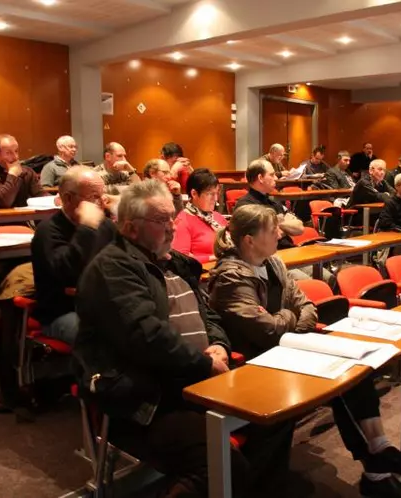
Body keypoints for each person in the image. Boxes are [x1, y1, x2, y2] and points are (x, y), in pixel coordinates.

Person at [74, 180, 291, 498]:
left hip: (198, 384)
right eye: (162, 221)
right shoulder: (112, 268)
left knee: (276, 416)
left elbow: (210, 316)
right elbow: (147, 336)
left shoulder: (177, 263)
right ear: (132, 228)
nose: (173, 227)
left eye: (172, 218)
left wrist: (219, 345)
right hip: (148, 400)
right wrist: (205, 364)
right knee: (219, 463)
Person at [208, 204, 401, 498]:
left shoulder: (273, 263)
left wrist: (287, 318)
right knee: (340, 378)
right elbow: (267, 331)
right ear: (249, 239)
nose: (280, 232)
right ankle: (377, 472)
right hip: (257, 362)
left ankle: (379, 451)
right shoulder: (230, 276)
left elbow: (307, 306)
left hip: (288, 348)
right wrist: (291, 318)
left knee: (353, 365)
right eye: (271, 229)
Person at [31, 167, 116, 346]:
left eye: (103, 196)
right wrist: (87, 228)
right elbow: (67, 273)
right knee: (102, 338)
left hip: (101, 304)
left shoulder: (105, 225)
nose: (101, 203)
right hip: (62, 312)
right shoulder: (48, 231)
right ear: (68, 198)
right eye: (94, 197)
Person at [235, 159, 303, 250]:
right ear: (260, 178)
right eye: (272, 175)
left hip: (289, 250)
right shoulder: (245, 205)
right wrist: (284, 226)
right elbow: (263, 237)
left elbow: (300, 228)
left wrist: (275, 224)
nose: (276, 178)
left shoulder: (274, 201)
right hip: (267, 257)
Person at [172, 168, 227, 263]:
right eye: (210, 194)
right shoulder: (183, 221)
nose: (216, 198)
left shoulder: (218, 217)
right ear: (194, 193)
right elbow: (180, 259)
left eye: (217, 193)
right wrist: (213, 257)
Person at [0, 134, 48, 209]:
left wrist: (54, 200)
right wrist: (13, 174)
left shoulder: (27, 172)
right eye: (8, 153)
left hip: (24, 219)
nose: (15, 157)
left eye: (16, 151)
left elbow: (40, 194)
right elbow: (5, 201)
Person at [347, 159, 394, 227]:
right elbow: (378, 196)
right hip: (355, 214)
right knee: (385, 219)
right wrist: (386, 194)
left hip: (372, 213)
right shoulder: (364, 182)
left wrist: (387, 195)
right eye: (380, 169)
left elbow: (395, 194)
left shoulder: (382, 182)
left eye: (384, 170)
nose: (383, 172)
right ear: (371, 170)